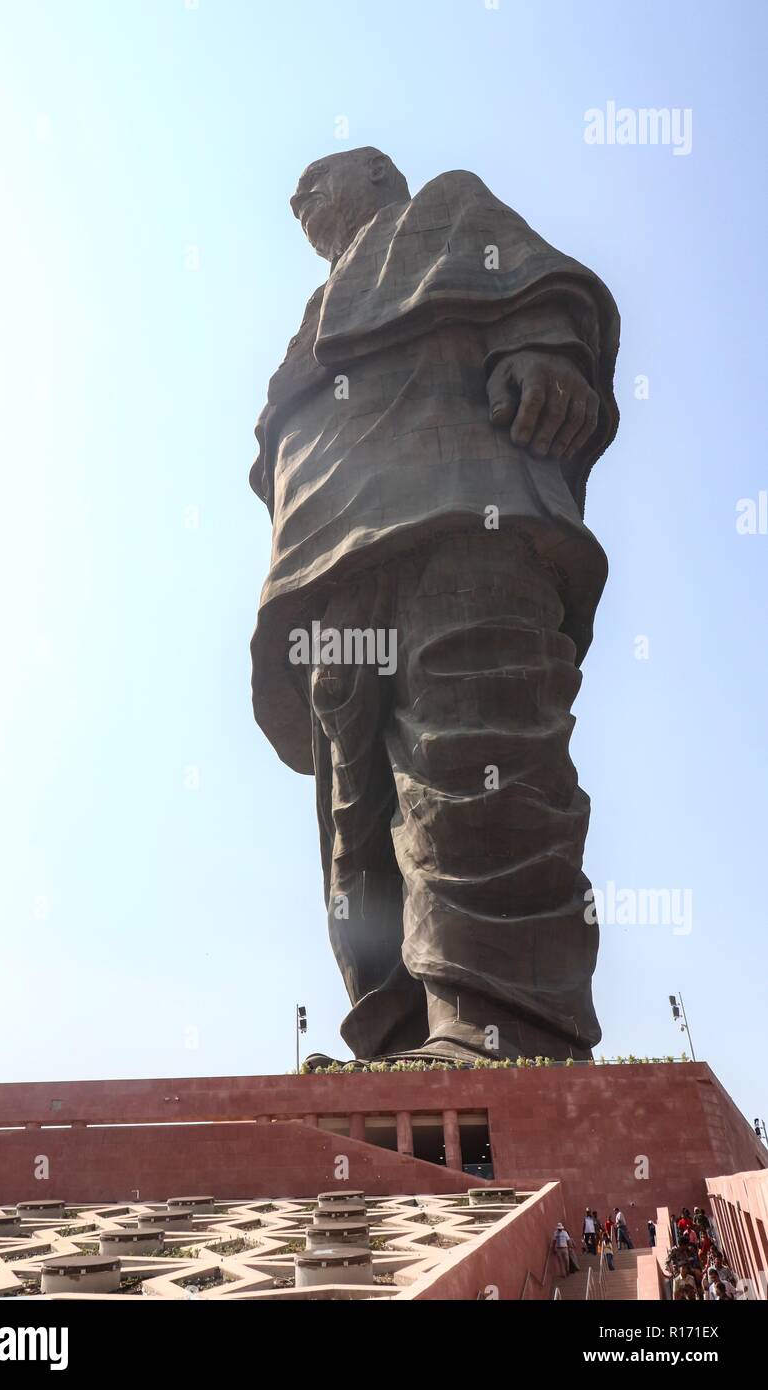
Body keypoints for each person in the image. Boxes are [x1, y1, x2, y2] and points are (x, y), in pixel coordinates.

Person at [250, 146, 620, 1062]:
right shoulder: (315, 309)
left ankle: (499, 1024)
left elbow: (539, 294)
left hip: (461, 518)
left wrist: (539, 352)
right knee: (356, 817)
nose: (301, 197)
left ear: (378, 176)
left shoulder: (443, 211)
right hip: (334, 568)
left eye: (319, 179)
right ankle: (395, 1034)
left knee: (473, 754)